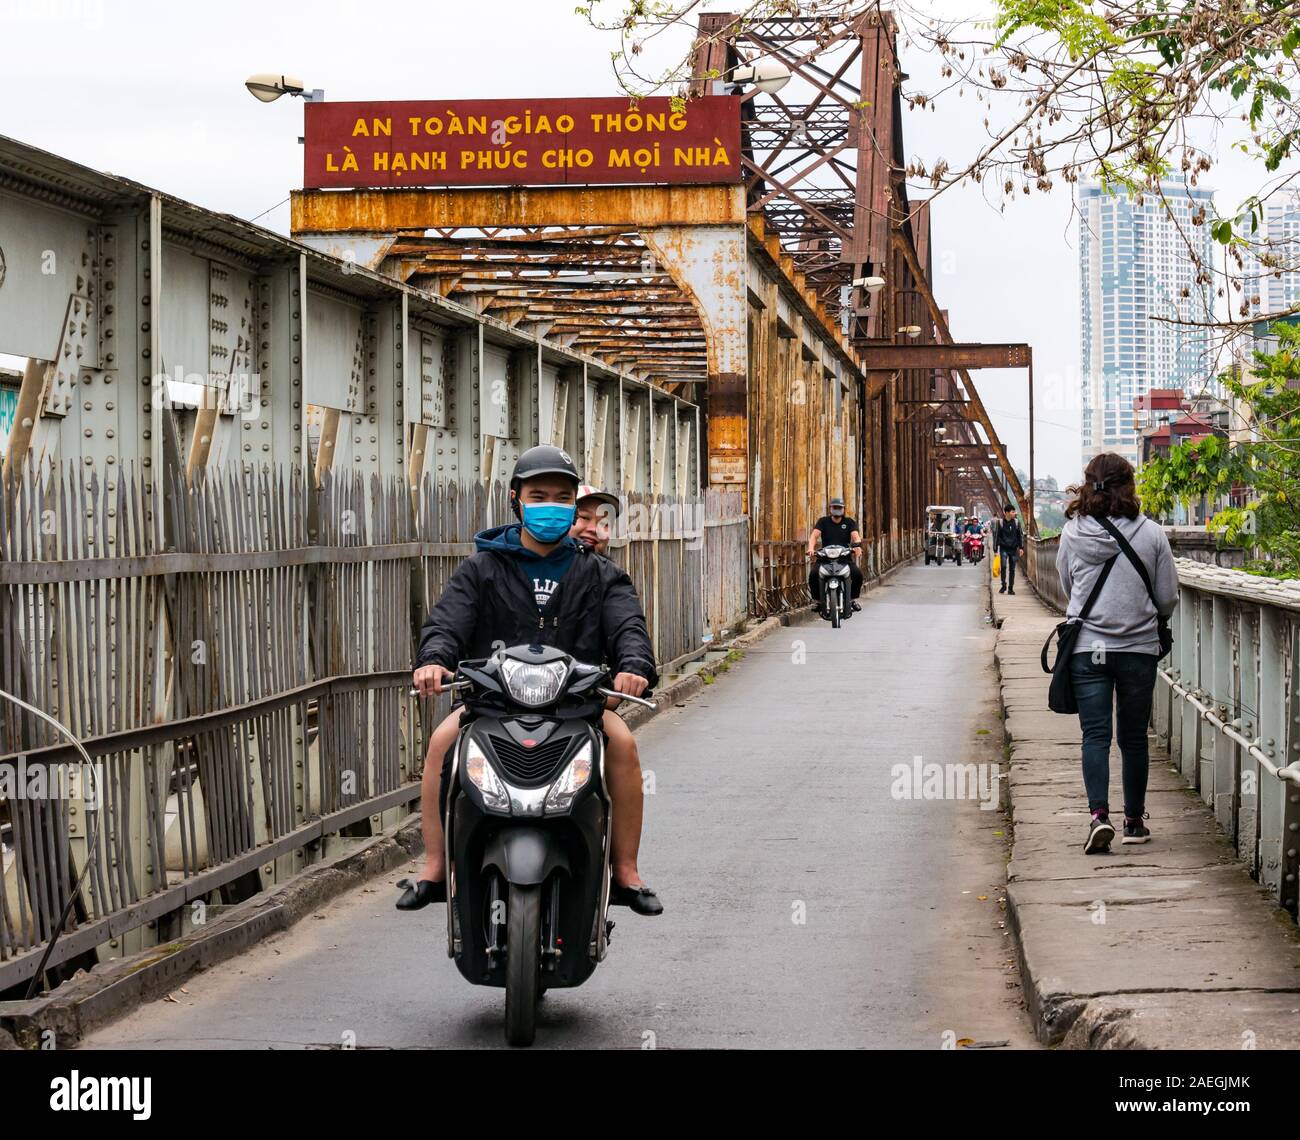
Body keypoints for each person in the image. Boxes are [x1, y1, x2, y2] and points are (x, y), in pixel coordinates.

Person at [400, 447, 663, 916]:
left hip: (578, 703)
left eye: (562, 498)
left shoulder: (601, 574)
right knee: (442, 743)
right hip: (492, 703)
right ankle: (436, 868)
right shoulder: (481, 569)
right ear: (516, 500)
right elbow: (447, 623)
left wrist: (635, 667)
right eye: (538, 495)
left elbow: (628, 628)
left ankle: (625, 871)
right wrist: (434, 661)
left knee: (623, 745)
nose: (551, 506)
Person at [1058, 453, 1177, 854]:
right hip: (1138, 651)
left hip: (1087, 647)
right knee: (1133, 738)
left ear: (1089, 485)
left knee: (1095, 734)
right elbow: (1167, 598)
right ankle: (1134, 821)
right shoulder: (1152, 534)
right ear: (1130, 484)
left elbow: (1066, 584)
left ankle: (1098, 817)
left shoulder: (1073, 533)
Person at [807, 497, 864, 610]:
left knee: (858, 575)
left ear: (843, 509)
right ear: (830, 508)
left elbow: (856, 536)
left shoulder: (849, 522)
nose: (837, 509)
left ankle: (852, 599)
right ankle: (818, 601)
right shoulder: (823, 521)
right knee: (813, 575)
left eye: (839, 507)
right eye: (835, 507)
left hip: (844, 558)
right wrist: (811, 548)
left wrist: (857, 546)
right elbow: (814, 536)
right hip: (825, 558)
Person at [994, 502, 1024, 594]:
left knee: (1012, 569)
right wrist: (995, 550)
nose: (1014, 513)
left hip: (1013, 549)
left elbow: (1020, 536)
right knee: (1003, 566)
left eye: (1014, 512)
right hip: (1003, 548)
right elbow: (996, 536)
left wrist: (1021, 548)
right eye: (1012, 512)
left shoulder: (1016, 522)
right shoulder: (1000, 522)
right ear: (1006, 513)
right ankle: (1003, 585)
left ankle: (1010, 588)